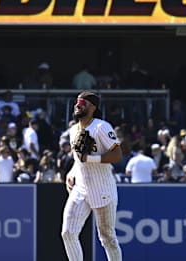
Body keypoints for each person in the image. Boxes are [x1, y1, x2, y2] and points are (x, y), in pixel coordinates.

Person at [62, 91, 123, 261]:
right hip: (81, 188)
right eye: (77, 103)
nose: (78, 105)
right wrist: (72, 171)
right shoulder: (74, 129)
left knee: (107, 238)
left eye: (83, 103)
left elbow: (117, 155)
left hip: (102, 188)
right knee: (68, 233)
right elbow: (78, 158)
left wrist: (90, 158)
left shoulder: (101, 127)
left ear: (93, 107)